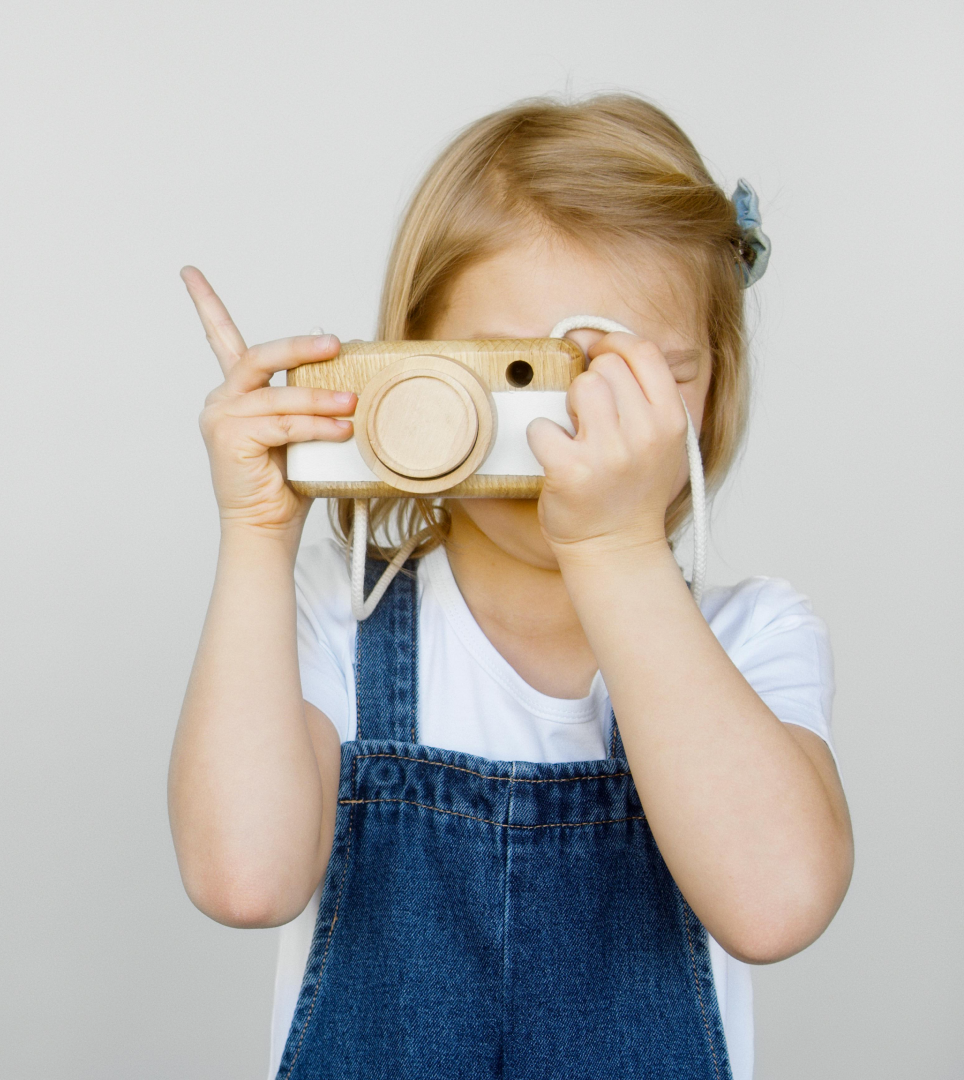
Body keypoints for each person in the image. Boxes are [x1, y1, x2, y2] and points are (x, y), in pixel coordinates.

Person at [167, 95, 851, 1080]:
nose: (562, 430)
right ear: (410, 370)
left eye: (634, 383)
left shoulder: (750, 636)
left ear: (710, 395)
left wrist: (615, 547)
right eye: (516, 372)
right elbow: (243, 878)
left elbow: (776, 905)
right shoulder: (329, 615)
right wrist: (256, 536)